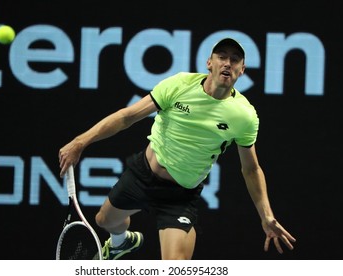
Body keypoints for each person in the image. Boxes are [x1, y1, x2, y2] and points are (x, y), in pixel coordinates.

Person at [58, 38, 296, 260]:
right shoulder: (180, 84)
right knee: (104, 220)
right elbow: (127, 117)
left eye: (235, 60)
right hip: (142, 174)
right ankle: (121, 242)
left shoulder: (244, 116)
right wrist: (81, 141)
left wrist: (266, 216)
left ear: (241, 70)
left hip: (179, 195)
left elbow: (251, 169)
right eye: (222, 56)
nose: (227, 63)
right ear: (209, 63)